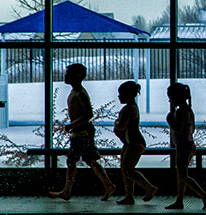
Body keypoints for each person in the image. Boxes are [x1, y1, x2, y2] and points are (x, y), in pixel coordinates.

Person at [49, 63, 116, 201]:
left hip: (82, 132)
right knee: (87, 160)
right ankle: (108, 185)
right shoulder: (75, 92)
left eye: (68, 74)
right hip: (81, 131)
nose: (65, 76)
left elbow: (88, 114)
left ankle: (68, 191)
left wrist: (72, 125)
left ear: (77, 76)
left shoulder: (80, 93)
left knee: (74, 160)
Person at [165, 82, 206, 210]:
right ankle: (179, 201)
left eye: (171, 97)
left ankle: (203, 194)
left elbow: (179, 129)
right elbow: (192, 129)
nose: (170, 100)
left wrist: (170, 120)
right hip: (188, 145)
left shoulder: (181, 112)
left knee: (183, 175)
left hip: (183, 146)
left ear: (177, 97)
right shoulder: (189, 110)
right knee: (181, 174)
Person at [113, 80, 157, 205]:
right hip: (129, 142)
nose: (119, 96)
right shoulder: (130, 107)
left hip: (135, 143)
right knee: (125, 169)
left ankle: (149, 187)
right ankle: (129, 196)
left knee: (128, 170)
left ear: (128, 94)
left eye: (121, 94)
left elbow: (121, 126)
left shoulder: (129, 109)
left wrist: (115, 122)